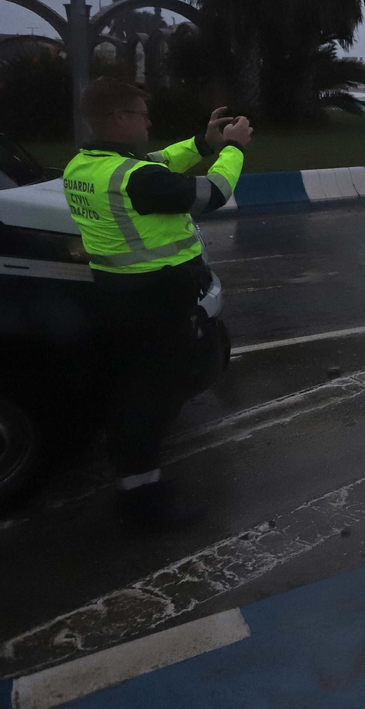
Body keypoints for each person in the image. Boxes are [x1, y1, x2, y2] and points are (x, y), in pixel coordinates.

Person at [62, 78, 252, 528]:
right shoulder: (136, 179)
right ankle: (143, 503)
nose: (149, 124)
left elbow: (162, 160)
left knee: (133, 393)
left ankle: (136, 484)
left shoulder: (85, 166)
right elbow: (212, 193)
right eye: (143, 116)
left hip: (118, 295)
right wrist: (233, 148)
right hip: (154, 304)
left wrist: (203, 142)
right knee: (149, 403)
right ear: (120, 118)